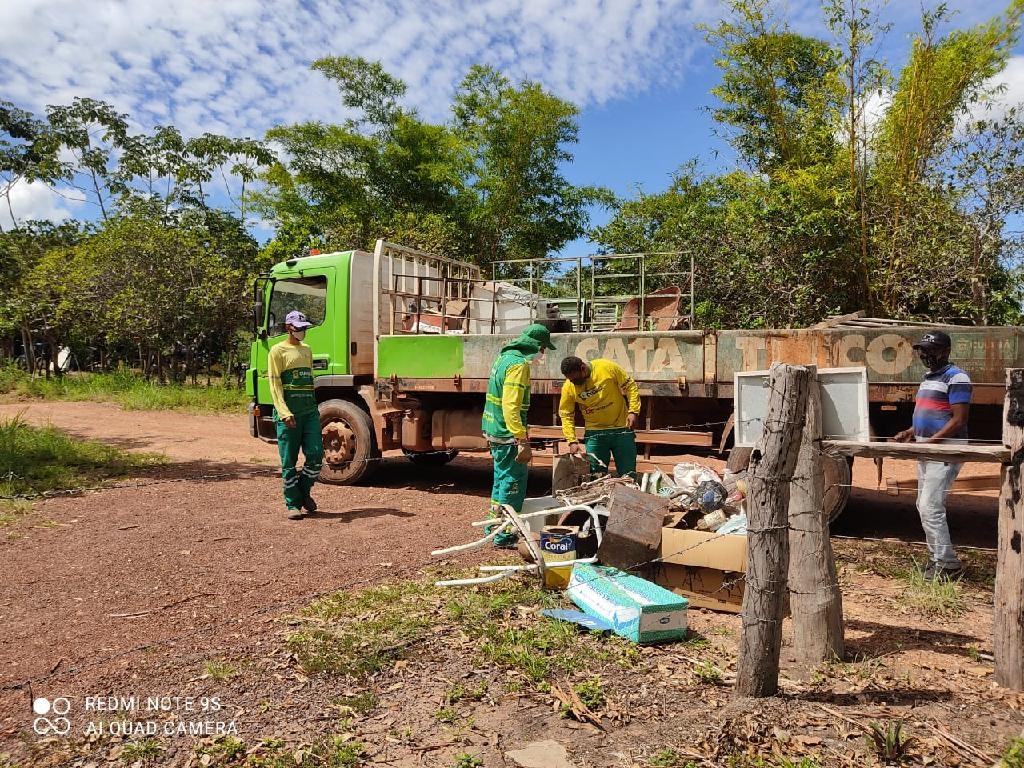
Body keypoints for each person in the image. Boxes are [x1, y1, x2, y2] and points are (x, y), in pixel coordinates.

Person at [894, 330, 971, 580]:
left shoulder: (957, 377)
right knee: (923, 505)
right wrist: (910, 432)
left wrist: (932, 443)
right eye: (922, 351)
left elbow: (959, 420)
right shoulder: (928, 379)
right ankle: (938, 559)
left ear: (946, 351)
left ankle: (947, 564)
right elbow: (929, 414)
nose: (925, 355)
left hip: (944, 450)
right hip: (928, 448)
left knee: (930, 505)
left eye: (931, 350)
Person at [481, 323, 557, 547]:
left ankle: (494, 526)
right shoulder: (519, 365)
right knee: (513, 484)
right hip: (508, 435)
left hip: (494, 429)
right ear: (536, 346)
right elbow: (511, 406)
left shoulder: (503, 358)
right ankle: (505, 535)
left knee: (500, 482)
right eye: (543, 349)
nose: (542, 355)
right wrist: (521, 439)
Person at [268, 310, 325, 520]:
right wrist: (284, 412)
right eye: (298, 329)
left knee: (316, 455)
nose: (302, 332)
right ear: (288, 328)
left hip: (309, 411)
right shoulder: (277, 351)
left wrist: (313, 407)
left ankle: (303, 492)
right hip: (288, 414)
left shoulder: (307, 350)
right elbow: (274, 385)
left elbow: (309, 380)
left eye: (304, 329)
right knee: (289, 461)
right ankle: (293, 503)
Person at [558, 356, 641, 481]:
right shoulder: (568, 387)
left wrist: (633, 411)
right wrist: (572, 441)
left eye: (575, 379)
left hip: (622, 429)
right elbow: (566, 414)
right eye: (570, 380)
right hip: (595, 435)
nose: (573, 383)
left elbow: (630, 386)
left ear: (583, 368)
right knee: (596, 478)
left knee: (628, 475)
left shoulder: (606, 367)